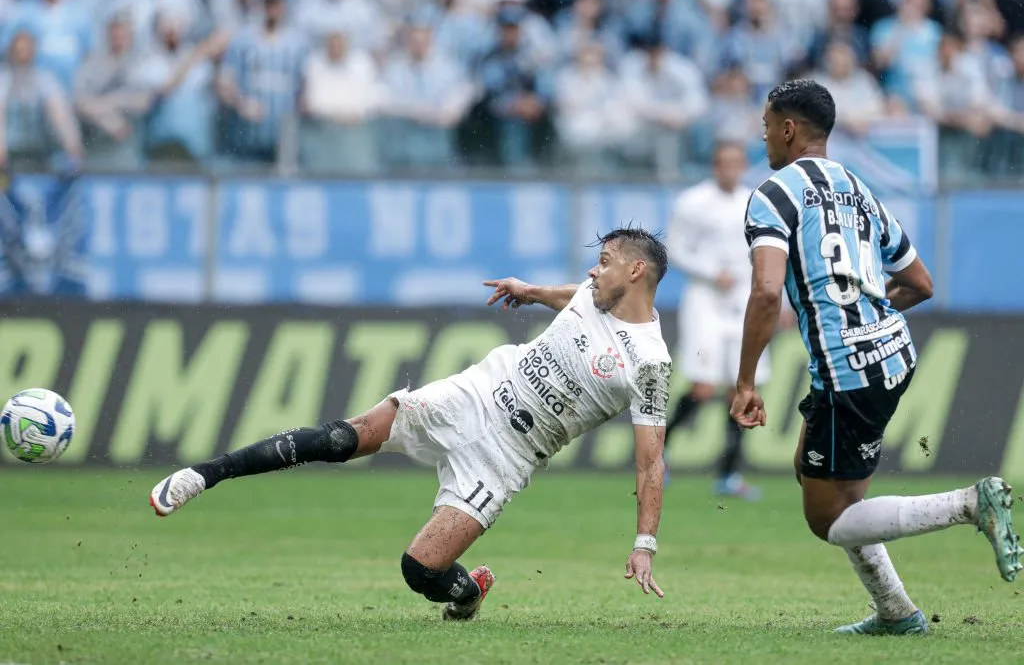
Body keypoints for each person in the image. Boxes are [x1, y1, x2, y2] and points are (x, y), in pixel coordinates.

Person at [150, 228, 673, 619]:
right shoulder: (595, 292)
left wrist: (643, 545)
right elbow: (572, 297)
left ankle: (467, 593)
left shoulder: (650, 363)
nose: (591, 272)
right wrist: (530, 290)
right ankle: (205, 474)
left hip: (507, 457)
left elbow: (652, 461)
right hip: (475, 396)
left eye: (603, 263)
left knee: (420, 570)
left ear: (634, 273)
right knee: (344, 438)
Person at [732, 79, 1022, 636]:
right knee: (816, 474)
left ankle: (969, 504)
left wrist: (745, 380)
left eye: (767, 124)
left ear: (788, 129)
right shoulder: (858, 188)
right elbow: (919, 282)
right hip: (890, 352)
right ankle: (897, 613)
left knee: (828, 518)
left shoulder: (773, 193)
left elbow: (767, 293)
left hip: (847, 366)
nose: (762, 134)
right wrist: (867, 312)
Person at [664, 141, 769, 499]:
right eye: (723, 162)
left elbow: (766, 255)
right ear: (714, 165)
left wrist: (778, 300)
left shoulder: (754, 201)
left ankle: (728, 475)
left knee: (739, 388)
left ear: (743, 166)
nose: (730, 169)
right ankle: (659, 452)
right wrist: (711, 272)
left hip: (742, 299)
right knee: (702, 387)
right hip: (705, 299)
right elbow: (675, 249)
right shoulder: (693, 202)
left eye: (736, 163)